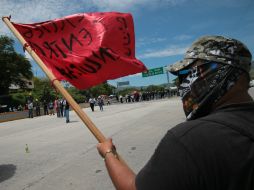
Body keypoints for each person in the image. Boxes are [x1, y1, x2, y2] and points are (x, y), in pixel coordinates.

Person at [97, 36, 254, 190]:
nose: (182, 83)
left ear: (220, 72)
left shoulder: (190, 138)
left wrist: (108, 153)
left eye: (186, 73)